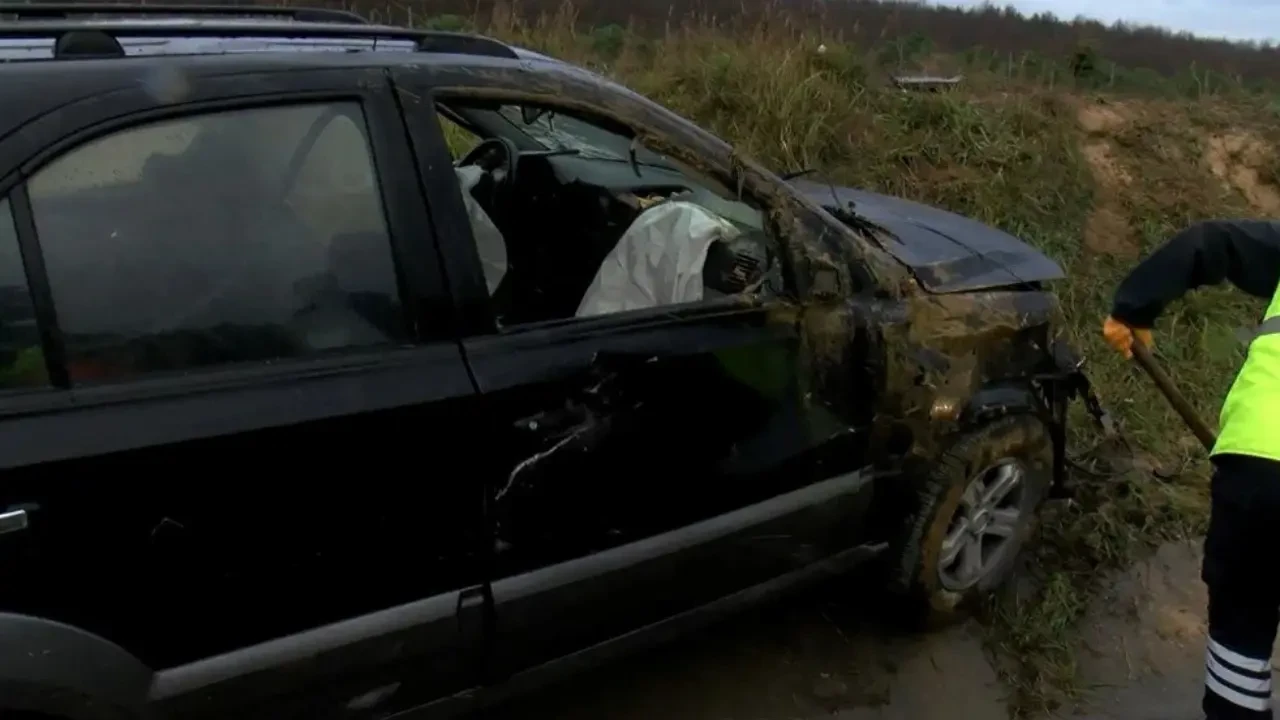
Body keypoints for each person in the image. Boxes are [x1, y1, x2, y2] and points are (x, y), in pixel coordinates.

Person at [1103, 219, 1280, 720]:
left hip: (1257, 468)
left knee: (1241, 637)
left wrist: (1132, 308)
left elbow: (1213, 242)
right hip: (1258, 464)